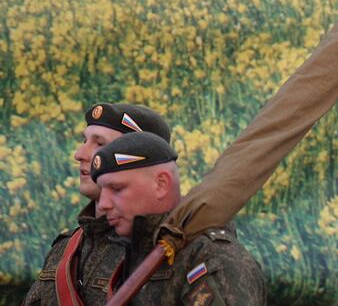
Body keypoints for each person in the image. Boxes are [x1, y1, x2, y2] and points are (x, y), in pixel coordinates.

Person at [90, 132, 266, 305]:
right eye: (102, 191)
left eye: (117, 189)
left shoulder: (212, 257)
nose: (103, 204)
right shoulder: (133, 252)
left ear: (161, 184)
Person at [24, 102, 172, 306]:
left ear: (145, 159)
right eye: (84, 140)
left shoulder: (174, 252)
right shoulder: (64, 251)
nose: (80, 154)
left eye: (100, 144)